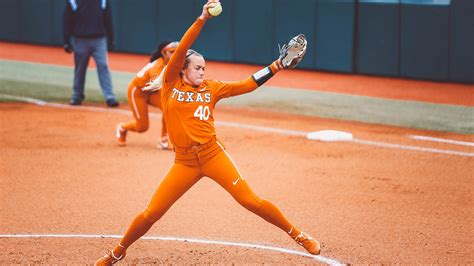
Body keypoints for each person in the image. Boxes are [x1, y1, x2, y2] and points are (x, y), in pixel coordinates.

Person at [95, 1, 318, 264]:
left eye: (204, 68)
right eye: (198, 67)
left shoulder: (212, 88)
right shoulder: (169, 84)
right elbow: (182, 49)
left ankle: (298, 235)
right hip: (185, 163)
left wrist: (276, 66)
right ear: (183, 68)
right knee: (152, 213)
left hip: (213, 155)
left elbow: (246, 85)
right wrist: (202, 19)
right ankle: (116, 253)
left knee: (250, 201)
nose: (203, 71)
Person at [115, 41, 178, 149]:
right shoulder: (157, 68)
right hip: (138, 91)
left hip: (151, 91)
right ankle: (122, 128)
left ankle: (164, 139)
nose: (175, 54)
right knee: (142, 127)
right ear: (164, 53)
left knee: (168, 107)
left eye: (176, 51)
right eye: (171, 52)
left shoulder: (176, 63)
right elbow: (161, 90)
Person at [62, 0, 119, 107]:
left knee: (103, 66)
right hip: (80, 39)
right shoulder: (73, 1)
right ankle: (77, 95)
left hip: (99, 40)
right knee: (80, 69)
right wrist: (66, 40)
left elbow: (108, 19)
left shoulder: (102, 1)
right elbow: (67, 20)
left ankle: (109, 96)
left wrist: (111, 39)